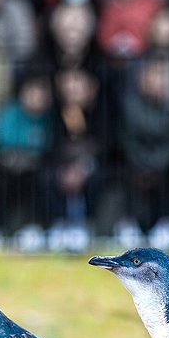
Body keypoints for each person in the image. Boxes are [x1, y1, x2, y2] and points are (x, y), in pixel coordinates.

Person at [118, 57, 169, 249]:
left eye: (163, 75)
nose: (160, 80)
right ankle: (128, 224)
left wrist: (157, 165)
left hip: (164, 167)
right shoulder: (130, 106)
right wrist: (144, 165)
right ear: (142, 78)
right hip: (135, 165)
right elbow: (127, 141)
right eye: (155, 74)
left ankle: (168, 224)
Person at [0, 75, 54, 248]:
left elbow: (48, 145)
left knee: (43, 180)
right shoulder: (10, 113)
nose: (36, 98)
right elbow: (2, 139)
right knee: (3, 181)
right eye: (32, 92)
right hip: (9, 164)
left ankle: (35, 227)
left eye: (41, 93)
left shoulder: (49, 118)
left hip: (35, 166)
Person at [46, 67, 102, 252]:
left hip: (90, 164)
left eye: (78, 85)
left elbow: (104, 145)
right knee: (49, 176)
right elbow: (51, 146)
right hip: (62, 165)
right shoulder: (54, 114)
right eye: (68, 85)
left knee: (97, 176)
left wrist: (81, 167)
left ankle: (85, 225)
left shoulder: (100, 112)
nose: (72, 90)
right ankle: (58, 224)